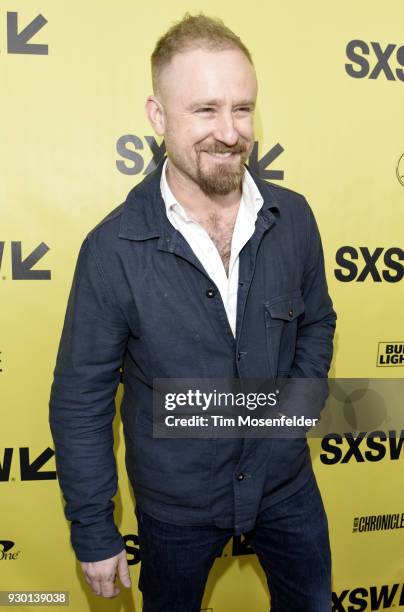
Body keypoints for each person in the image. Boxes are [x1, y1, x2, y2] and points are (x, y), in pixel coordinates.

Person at [49, 12, 337, 612]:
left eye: (243, 108)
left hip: (286, 486)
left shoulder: (295, 218)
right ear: (158, 116)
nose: (229, 132)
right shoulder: (112, 251)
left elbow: (316, 324)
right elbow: (82, 399)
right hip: (175, 507)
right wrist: (94, 528)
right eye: (205, 109)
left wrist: (291, 419)